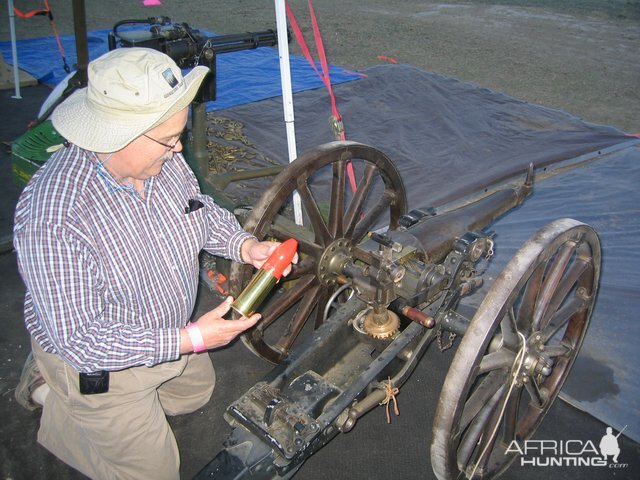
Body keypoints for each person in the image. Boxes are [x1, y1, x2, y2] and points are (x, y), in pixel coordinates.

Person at [13, 47, 295, 480]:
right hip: (96, 361)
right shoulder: (53, 216)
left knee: (195, 394)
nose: (178, 147)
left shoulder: (163, 162)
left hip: (160, 331)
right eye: (167, 139)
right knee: (156, 472)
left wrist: (244, 246)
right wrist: (190, 338)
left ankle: (90, 401)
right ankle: (52, 394)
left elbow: (197, 210)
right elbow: (84, 339)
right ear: (117, 135)